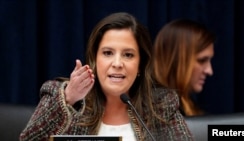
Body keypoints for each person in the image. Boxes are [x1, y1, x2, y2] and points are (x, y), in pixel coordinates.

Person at [19, 12, 193, 141]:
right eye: (108, 53)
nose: (117, 63)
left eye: (128, 55)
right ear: (95, 60)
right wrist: (69, 98)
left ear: (140, 65)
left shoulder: (162, 105)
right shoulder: (59, 94)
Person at [153, 19, 216, 116]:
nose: (209, 71)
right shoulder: (159, 111)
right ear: (177, 60)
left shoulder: (183, 104)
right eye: (202, 60)